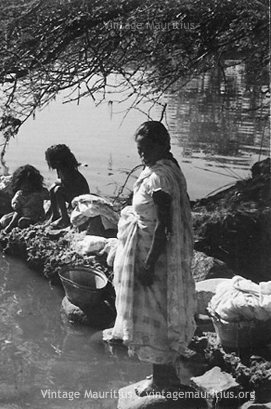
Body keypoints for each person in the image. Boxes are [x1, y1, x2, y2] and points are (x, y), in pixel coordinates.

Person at [110, 121, 196, 396]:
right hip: (152, 252)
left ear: (164, 145)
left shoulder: (160, 178)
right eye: (140, 149)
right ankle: (164, 374)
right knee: (158, 313)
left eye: (148, 148)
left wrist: (148, 263)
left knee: (154, 314)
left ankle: (161, 381)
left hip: (154, 256)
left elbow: (164, 225)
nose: (143, 154)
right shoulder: (168, 168)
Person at [44, 144, 90, 228]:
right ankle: (55, 215)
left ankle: (65, 218)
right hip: (71, 192)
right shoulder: (60, 168)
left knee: (58, 190)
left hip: (80, 196)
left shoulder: (68, 170)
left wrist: (56, 185)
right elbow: (61, 181)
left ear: (58, 160)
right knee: (53, 189)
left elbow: (67, 184)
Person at [0, 165, 49, 233]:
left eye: (28, 184)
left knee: (22, 222)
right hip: (22, 213)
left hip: (36, 215)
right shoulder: (20, 194)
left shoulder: (38, 193)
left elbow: (48, 195)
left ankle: (19, 224)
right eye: (23, 184)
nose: (26, 187)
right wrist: (15, 205)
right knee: (4, 220)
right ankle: (13, 224)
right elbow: (16, 204)